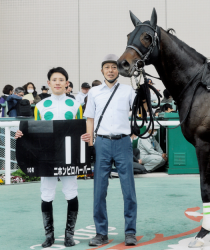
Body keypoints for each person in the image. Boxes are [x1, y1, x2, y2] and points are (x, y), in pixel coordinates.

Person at [14, 67, 91, 248]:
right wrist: (21, 134)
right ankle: (49, 236)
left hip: (68, 157)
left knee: (71, 192)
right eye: (54, 79)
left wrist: (86, 136)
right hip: (47, 157)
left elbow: (80, 129)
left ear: (67, 83)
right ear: (49, 83)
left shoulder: (75, 105)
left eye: (61, 79)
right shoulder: (40, 106)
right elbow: (37, 131)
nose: (58, 82)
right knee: (47, 194)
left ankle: (69, 235)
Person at [85, 54, 138, 246]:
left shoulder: (128, 91)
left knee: (128, 189)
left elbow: (140, 111)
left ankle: (130, 232)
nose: (110, 70)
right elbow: (89, 118)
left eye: (114, 67)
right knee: (99, 189)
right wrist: (91, 144)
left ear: (119, 70)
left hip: (123, 142)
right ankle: (101, 233)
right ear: (102, 70)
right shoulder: (94, 92)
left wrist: (144, 93)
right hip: (102, 142)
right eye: (107, 67)